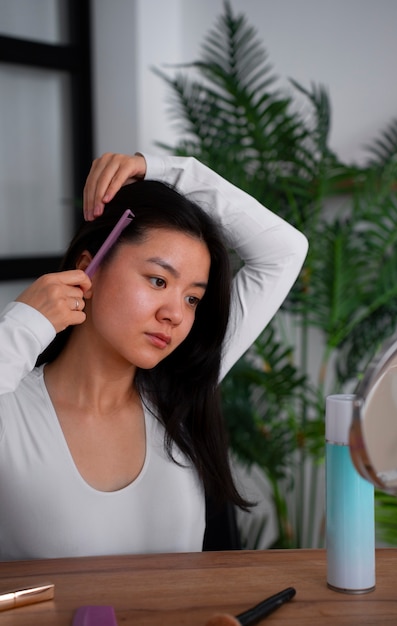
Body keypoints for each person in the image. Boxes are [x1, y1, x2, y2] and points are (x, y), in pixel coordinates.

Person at [0, 152, 308, 560]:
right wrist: (24, 324)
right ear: (86, 269)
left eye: (193, 297)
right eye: (158, 280)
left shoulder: (179, 392)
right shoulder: (11, 407)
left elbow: (285, 251)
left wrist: (169, 172)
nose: (175, 314)